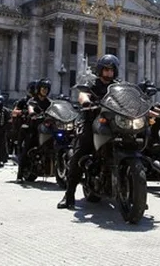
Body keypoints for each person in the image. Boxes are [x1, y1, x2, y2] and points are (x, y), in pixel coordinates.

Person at [58, 55, 119, 209]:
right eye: (106, 69)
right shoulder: (91, 82)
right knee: (81, 151)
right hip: (92, 121)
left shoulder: (118, 87)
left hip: (113, 124)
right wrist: (86, 101)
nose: (109, 72)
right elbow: (83, 93)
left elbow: (129, 100)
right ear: (100, 70)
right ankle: (69, 194)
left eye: (111, 70)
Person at [17, 79, 52, 181]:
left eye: (46, 88)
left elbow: (54, 110)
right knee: (27, 147)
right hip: (34, 128)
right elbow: (30, 107)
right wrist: (32, 114)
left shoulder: (49, 102)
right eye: (43, 88)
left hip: (46, 128)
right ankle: (20, 174)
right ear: (39, 89)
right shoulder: (33, 101)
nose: (45, 90)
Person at [11, 81, 38, 156]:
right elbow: (14, 112)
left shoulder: (43, 101)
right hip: (26, 124)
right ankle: (20, 152)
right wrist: (23, 112)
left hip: (38, 125)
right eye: (33, 89)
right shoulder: (23, 101)